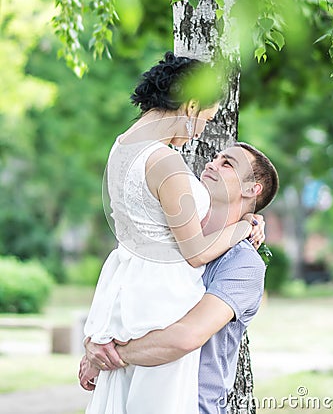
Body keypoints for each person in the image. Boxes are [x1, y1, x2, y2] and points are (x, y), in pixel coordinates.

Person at [80, 52, 264, 414]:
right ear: (191, 104)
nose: (200, 133)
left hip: (128, 286)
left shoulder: (124, 145)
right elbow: (195, 253)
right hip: (162, 297)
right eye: (205, 120)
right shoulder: (164, 160)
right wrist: (244, 227)